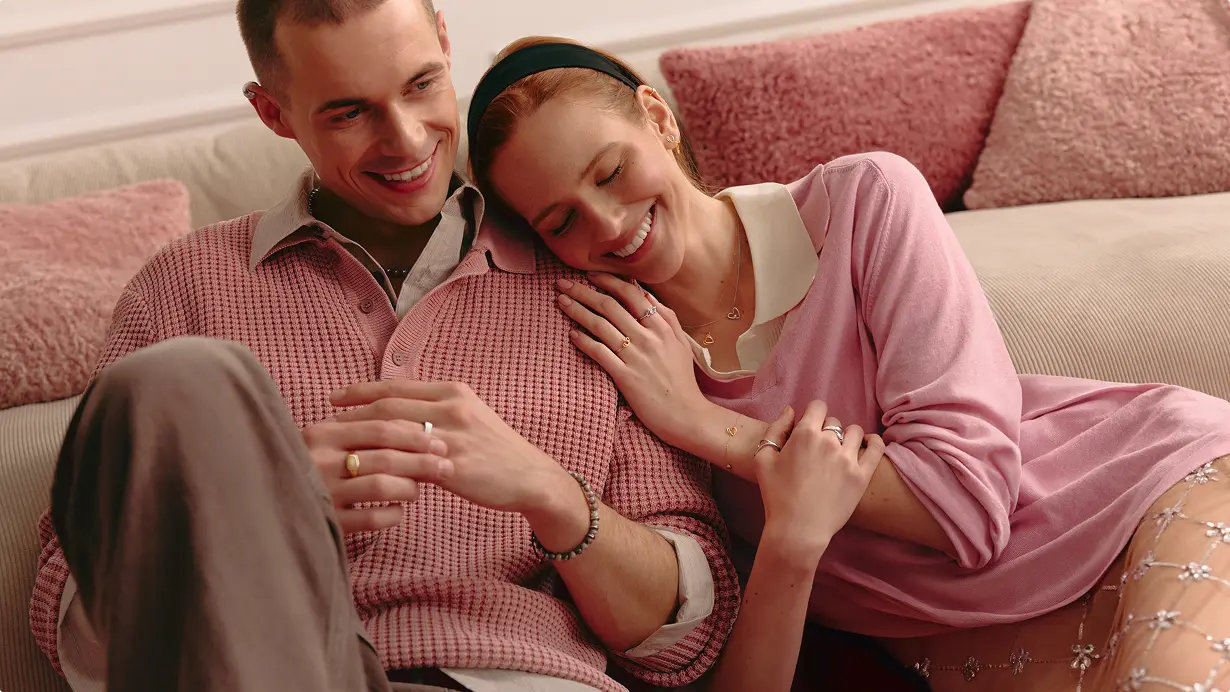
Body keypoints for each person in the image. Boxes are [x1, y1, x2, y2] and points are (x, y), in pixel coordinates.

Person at [463, 36, 1230, 692]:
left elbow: (968, 505)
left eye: (609, 171)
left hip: (1142, 488)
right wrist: (791, 529)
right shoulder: (615, 365)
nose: (609, 223)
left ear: (658, 119)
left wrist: (704, 425)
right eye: (562, 220)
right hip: (965, 631)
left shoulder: (862, 202)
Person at [28, 4, 744, 692]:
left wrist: (549, 492)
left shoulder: (587, 276)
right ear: (272, 113)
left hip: (519, 679)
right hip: (274, 670)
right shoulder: (181, 287)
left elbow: (690, 637)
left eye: (421, 85)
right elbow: (77, 628)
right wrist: (263, 522)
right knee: (176, 380)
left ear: (443, 41)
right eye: (349, 111)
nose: (405, 140)